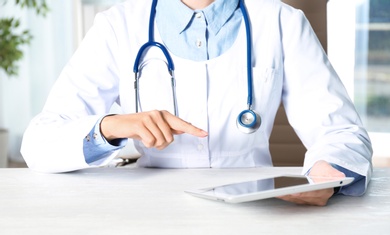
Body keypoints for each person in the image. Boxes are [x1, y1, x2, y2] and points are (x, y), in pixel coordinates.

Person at [21, 0, 373, 206]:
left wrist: (328, 172)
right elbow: (39, 143)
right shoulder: (118, 25)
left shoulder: (280, 20)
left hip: (256, 210)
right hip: (149, 213)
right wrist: (110, 127)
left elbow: (340, 129)